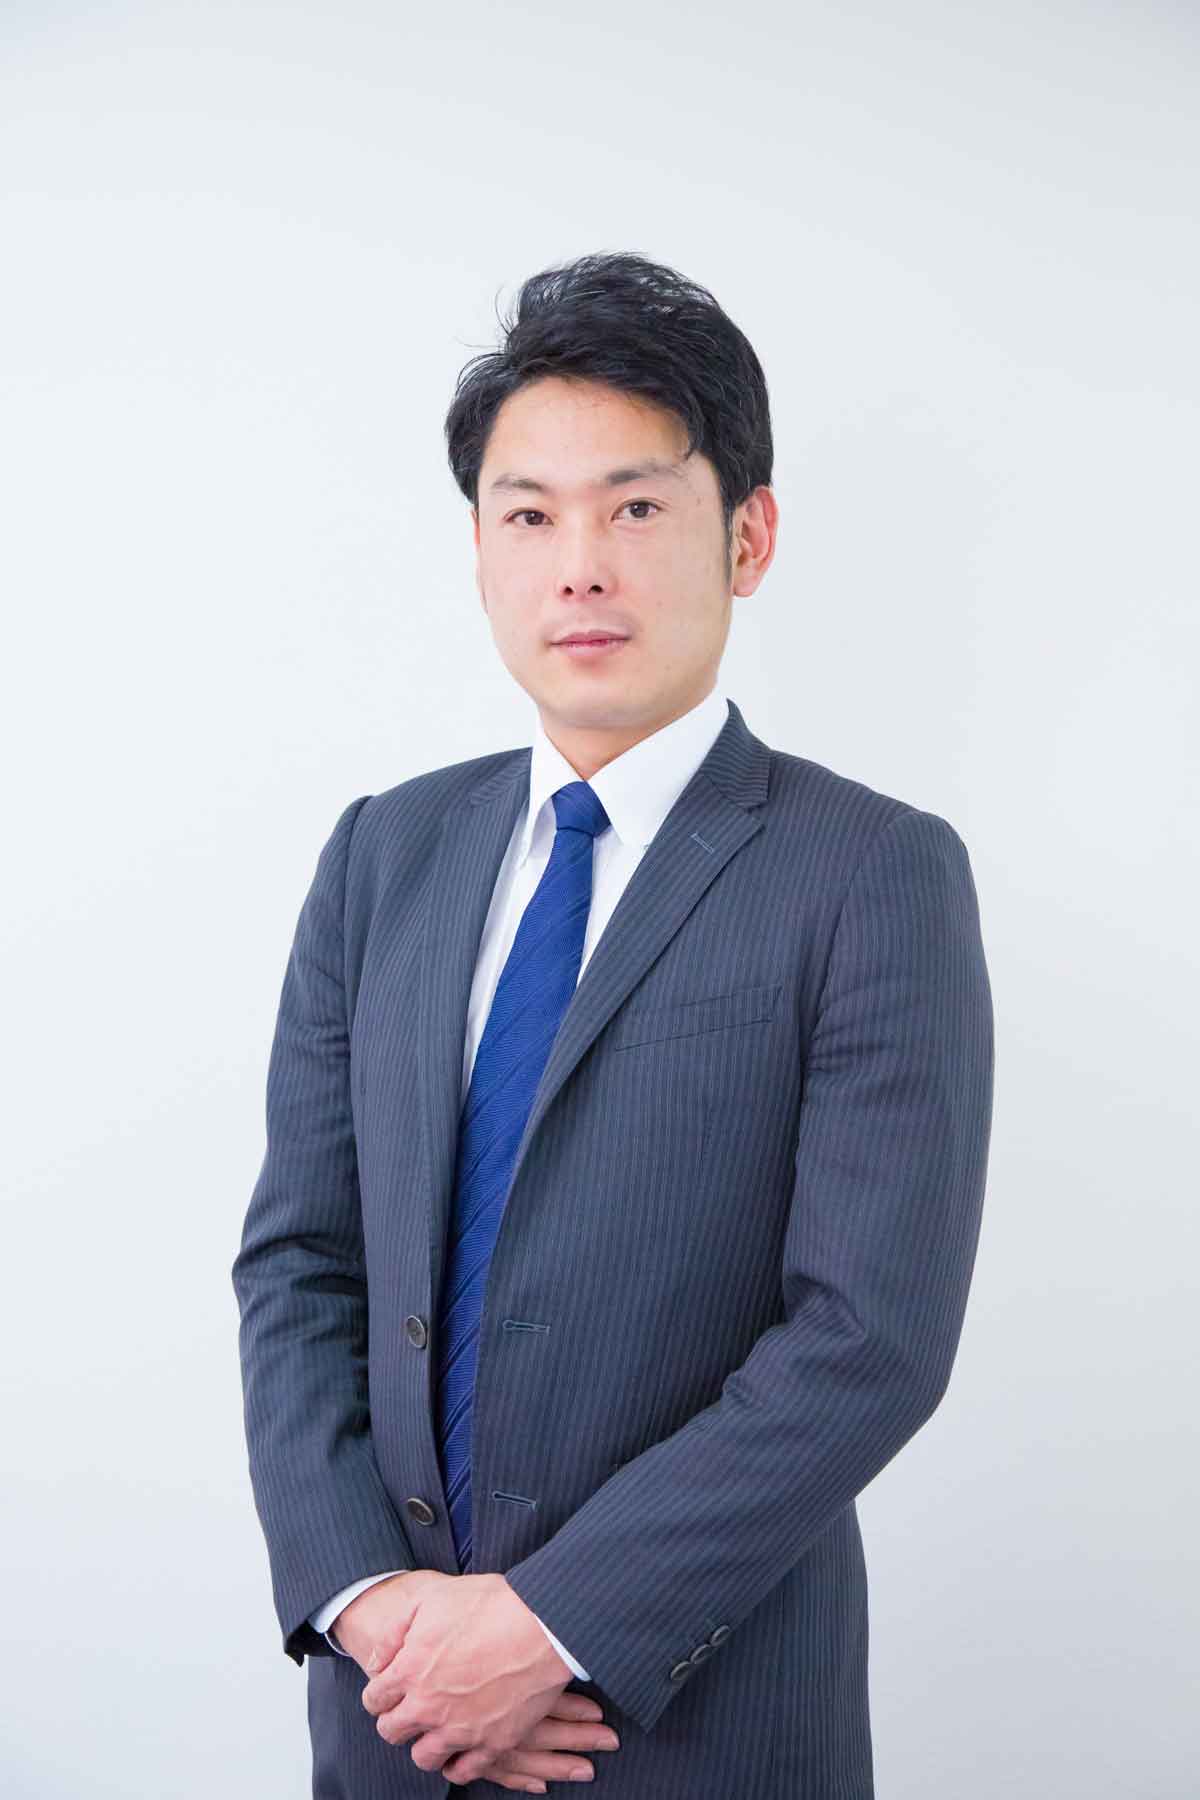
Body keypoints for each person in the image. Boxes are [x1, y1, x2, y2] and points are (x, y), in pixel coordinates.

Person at [231, 250, 994, 1799]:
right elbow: (302, 1262)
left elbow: (868, 1336)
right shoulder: (382, 855)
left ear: (748, 536)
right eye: (530, 515)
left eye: (635, 508)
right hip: (392, 1717)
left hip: (689, 1721)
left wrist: (551, 1626)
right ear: (481, 549)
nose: (578, 566)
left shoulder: (868, 872)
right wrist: (369, 1606)